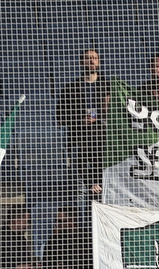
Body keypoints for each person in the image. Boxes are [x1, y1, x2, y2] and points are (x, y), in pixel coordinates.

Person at [57, 49, 111, 198]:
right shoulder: (71, 88)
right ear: (82, 62)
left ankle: (100, 188)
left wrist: (99, 118)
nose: (92, 61)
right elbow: (60, 116)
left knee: (102, 166)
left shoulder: (109, 86)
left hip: (102, 136)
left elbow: (117, 112)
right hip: (80, 136)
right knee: (81, 168)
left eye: (94, 58)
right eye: (88, 58)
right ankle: (89, 190)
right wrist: (79, 119)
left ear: (98, 61)